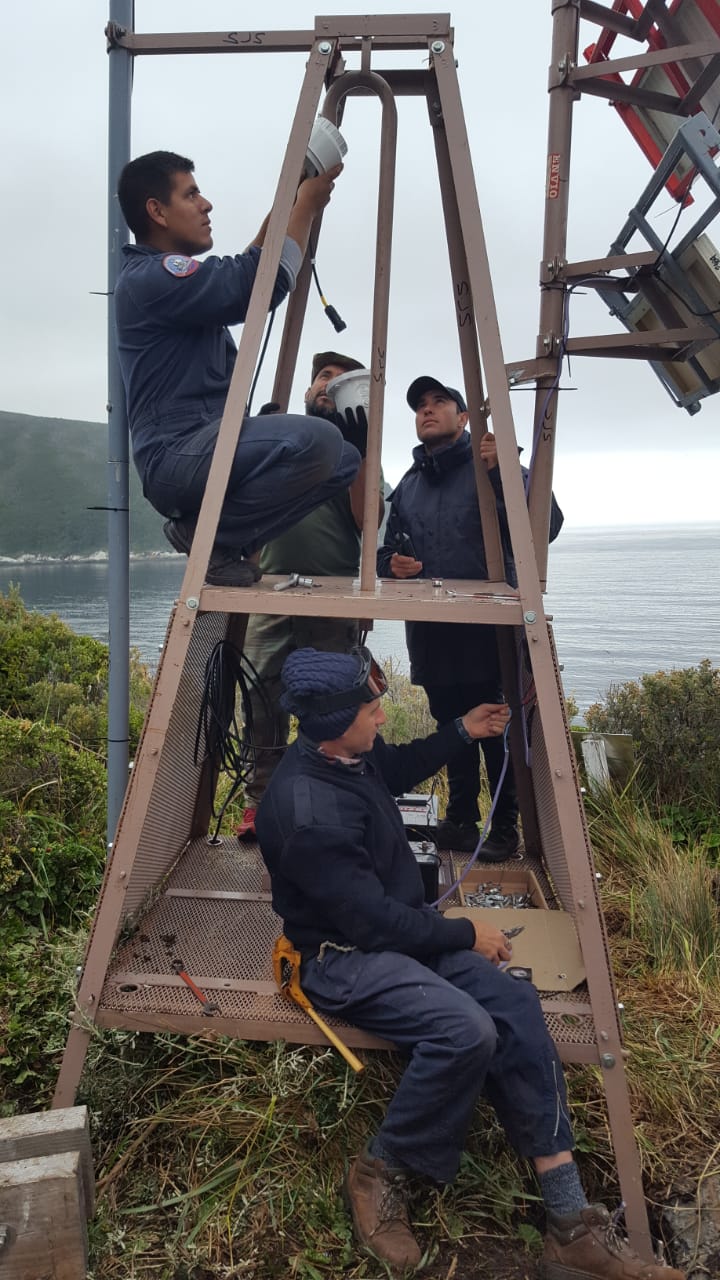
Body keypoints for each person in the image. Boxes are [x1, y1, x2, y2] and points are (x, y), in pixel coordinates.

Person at [255, 647, 684, 1279]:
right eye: (372, 708)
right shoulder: (306, 813)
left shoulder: (348, 753)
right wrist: (461, 933)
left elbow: (396, 764)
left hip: (395, 935)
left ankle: (569, 1223)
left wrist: (464, 730)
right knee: (465, 1030)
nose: (381, 714)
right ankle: (381, 1171)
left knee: (514, 1004)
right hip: (340, 958)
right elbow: (370, 923)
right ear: (329, 722)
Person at [114, 150, 361, 586]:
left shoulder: (176, 285)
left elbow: (253, 260)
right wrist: (305, 205)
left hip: (206, 443)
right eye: (191, 194)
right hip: (177, 453)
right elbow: (255, 284)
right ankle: (208, 537)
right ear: (157, 211)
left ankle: (219, 540)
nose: (206, 204)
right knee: (318, 439)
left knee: (343, 457)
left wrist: (294, 192)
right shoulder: (151, 278)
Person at [377, 375, 564, 859]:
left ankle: (504, 829)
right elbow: (385, 551)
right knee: (452, 728)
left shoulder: (493, 468)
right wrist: (390, 565)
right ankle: (461, 822)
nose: (427, 409)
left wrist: (505, 469)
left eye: (440, 402)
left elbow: (548, 525)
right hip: (432, 636)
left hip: (490, 636)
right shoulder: (409, 485)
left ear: (464, 418)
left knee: (497, 729)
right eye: (420, 404)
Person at [241, 350, 385, 814]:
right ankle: (261, 803)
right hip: (270, 595)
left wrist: (361, 451)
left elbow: (369, 519)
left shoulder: (360, 453)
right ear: (307, 390)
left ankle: (325, 803)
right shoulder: (285, 440)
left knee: (334, 710)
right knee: (261, 703)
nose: (329, 385)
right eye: (323, 377)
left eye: (342, 382)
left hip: (333, 601)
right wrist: (256, 441)